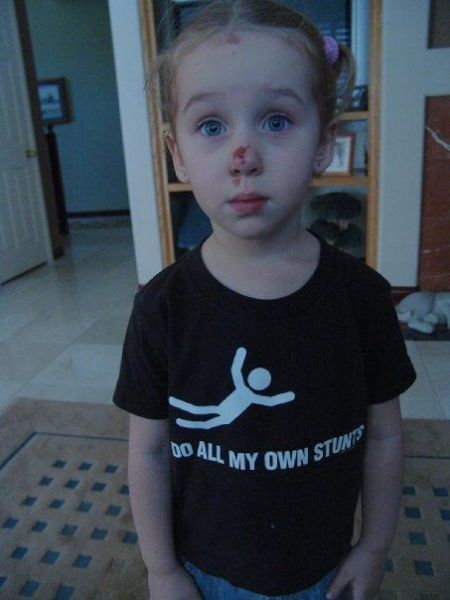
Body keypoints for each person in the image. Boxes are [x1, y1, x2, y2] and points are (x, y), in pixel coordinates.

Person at [113, 1, 417, 598]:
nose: (243, 155)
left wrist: (375, 546)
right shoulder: (160, 309)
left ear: (324, 143)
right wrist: (162, 569)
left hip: (326, 568)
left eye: (276, 121)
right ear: (177, 156)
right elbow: (148, 453)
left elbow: (384, 436)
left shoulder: (363, 298)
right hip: (206, 571)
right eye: (211, 126)